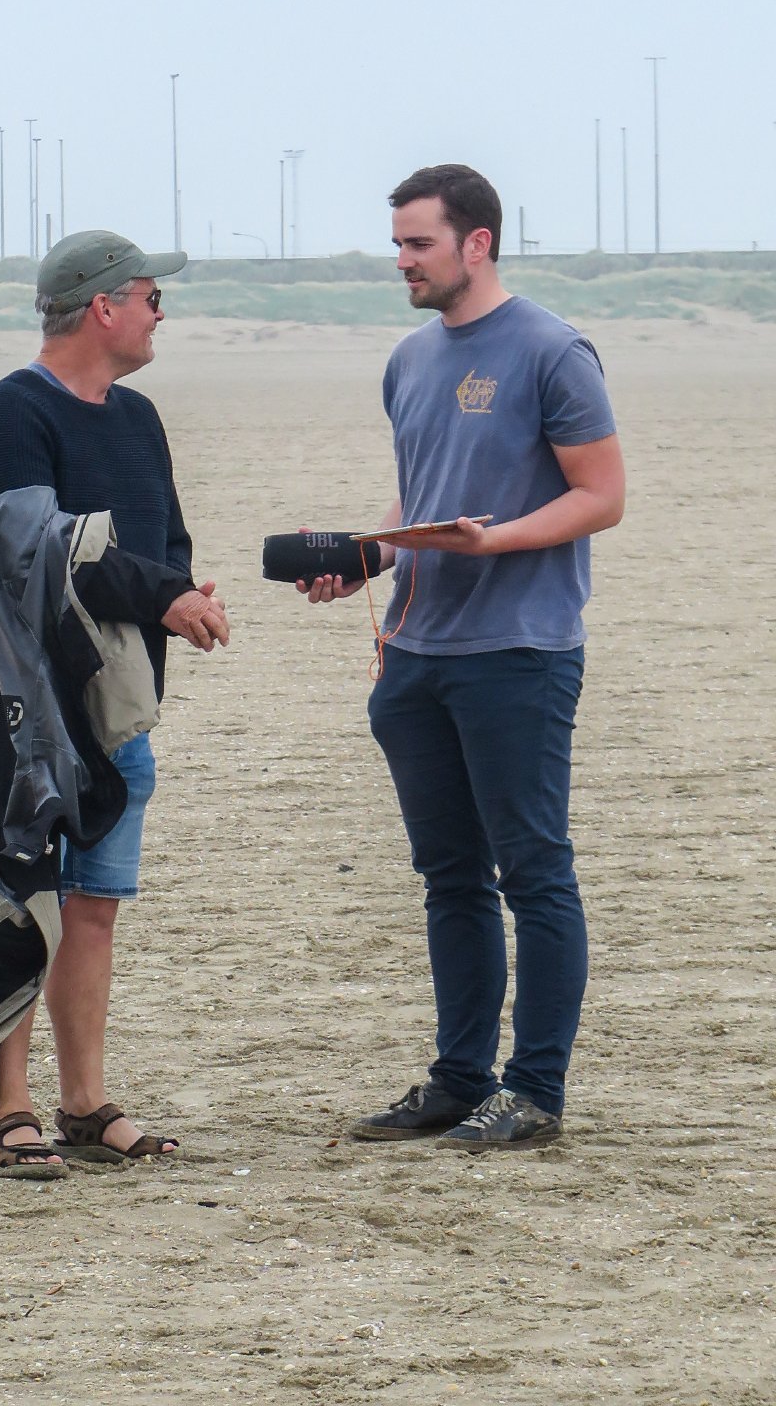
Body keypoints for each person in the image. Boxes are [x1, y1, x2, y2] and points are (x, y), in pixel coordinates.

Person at [301, 164, 625, 1151]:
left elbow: (602, 495)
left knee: (534, 871)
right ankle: (458, 1080)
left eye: (419, 243)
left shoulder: (553, 350)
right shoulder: (408, 359)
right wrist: (367, 557)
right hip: (415, 652)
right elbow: (421, 494)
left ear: (476, 242)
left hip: (518, 651)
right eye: (398, 244)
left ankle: (534, 1092)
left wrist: (498, 542)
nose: (403, 261)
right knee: (450, 876)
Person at [0, 228, 229, 1177]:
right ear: (103, 307)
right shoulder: (6, 416)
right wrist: (161, 594)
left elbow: (163, 542)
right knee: (20, 902)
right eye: (151, 297)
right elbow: (33, 553)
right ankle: (9, 1111)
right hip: (25, 710)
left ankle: (83, 1103)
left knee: (95, 905)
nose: (161, 314)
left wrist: (178, 591)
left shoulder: (138, 418)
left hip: (118, 705)